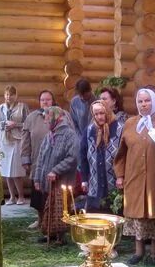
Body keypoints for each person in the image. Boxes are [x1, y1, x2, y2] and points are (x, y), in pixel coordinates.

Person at [113, 88, 155, 266]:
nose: (143, 104)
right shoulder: (130, 123)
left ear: (153, 102)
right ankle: (138, 252)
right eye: (140, 101)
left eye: (147, 100)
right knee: (137, 215)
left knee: (154, 214)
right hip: (134, 178)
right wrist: (120, 175)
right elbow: (121, 154)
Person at [33, 106, 78, 244]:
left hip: (62, 179)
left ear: (56, 118)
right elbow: (41, 158)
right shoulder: (49, 135)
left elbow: (72, 157)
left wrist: (56, 170)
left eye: (47, 118)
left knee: (60, 207)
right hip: (48, 180)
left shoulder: (69, 134)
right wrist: (37, 178)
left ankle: (60, 236)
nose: (46, 122)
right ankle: (50, 234)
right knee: (49, 206)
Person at [79, 100, 124, 213]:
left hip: (115, 187)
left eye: (102, 113)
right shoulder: (89, 131)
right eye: (96, 114)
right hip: (95, 187)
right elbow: (83, 156)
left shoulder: (120, 129)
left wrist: (122, 176)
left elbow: (125, 156)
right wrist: (84, 179)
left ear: (107, 112)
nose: (99, 117)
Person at [22, 90, 56, 229]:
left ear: (52, 101)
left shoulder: (61, 115)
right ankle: (40, 219)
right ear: (39, 102)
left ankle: (53, 221)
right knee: (38, 193)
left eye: (48, 99)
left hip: (55, 162)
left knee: (54, 193)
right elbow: (25, 141)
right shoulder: (31, 118)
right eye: (43, 100)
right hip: (37, 161)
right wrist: (25, 159)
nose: (45, 102)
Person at [0, 85, 29, 205]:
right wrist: (5, 124)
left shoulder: (22, 107)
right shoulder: (1, 108)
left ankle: (21, 196)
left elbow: (27, 123)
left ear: (16, 95)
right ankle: (11, 197)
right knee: (6, 172)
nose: (8, 97)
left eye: (11, 94)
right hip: (5, 141)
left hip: (17, 140)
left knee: (16, 171)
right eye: (6, 95)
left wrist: (15, 124)